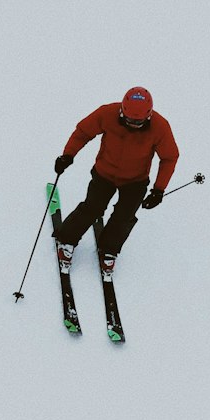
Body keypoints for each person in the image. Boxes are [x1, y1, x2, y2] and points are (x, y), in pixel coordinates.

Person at [52, 87, 179, 278]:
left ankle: (109, 249)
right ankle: (66, 240)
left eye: (139, 122)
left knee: (124, 217)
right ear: (122, 110)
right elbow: (83, 132)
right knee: (92, 208)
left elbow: (169, 157)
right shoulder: (107, 113)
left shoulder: (160, 127)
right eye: (129, 120)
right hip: (104, 173)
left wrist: (158, 190)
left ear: (149, 115)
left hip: (135, 181)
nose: (134, 124)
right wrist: (68, 155)